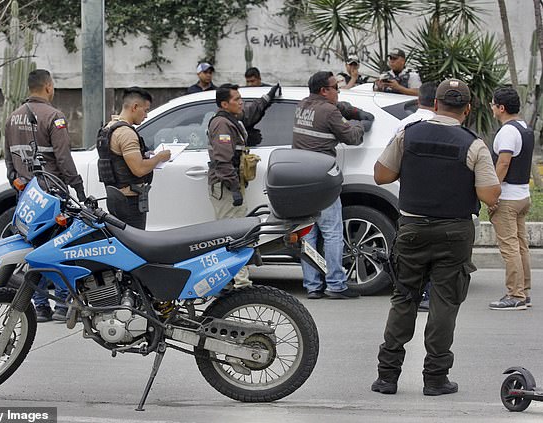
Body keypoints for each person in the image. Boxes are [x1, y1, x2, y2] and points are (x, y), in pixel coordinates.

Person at [371, 79, 500, 396]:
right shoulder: (473, 144)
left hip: (412, 229)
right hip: (454, 233)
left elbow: (381, 174)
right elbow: (488, 193)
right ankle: (435, 378)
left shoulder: (408, 134)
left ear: (434, 104)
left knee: (404, 299)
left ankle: (387, 377)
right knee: (444, 305)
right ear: (467, 110)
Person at [5, 68, 86, 322]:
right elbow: (63, 158)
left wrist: (18, 183)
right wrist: (79, 188)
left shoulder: (11, 118)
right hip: (52, 196)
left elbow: (9, 162)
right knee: (59, 248)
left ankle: (40, 306)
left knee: (34, 251)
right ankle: (61, 304)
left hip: (27, 197)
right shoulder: (54, 116)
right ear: (48, 86)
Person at [292, 71, 370, 300]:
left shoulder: (301, 106)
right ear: (324, 91)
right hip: (322, 179)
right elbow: (352, 137)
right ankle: (336, 285)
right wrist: (361, 123)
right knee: (332, 232)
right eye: (336, 87)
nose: (339, 90)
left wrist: (345, 108)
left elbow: (328, 111)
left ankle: (313, 286)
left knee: (307, 233)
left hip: (299, 178)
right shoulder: (329, 111)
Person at [207, 83, 277, 289]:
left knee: (235, 233)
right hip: (227, 186)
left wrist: (267, 98)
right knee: (234, 236)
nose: (241, 103)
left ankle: (229, 282)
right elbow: (222, 161)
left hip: (232, 184)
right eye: (237, 100)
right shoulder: (221, 124)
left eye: (241, 98)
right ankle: (241, 285)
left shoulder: (232, 119)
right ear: (224, 104)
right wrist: (234, 188)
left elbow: (250, 112)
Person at [99, 87, 171, 229]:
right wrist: (159, 158)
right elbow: (138, 169)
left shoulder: (109, 127)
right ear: (135, 107)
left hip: (115, 197)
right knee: (134, 245)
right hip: (129, 201)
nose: (146, 115)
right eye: (145, 110)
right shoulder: (126, 133)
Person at [488, 87, 534, 310]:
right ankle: (524, 291)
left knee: (510, 248)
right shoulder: (525, 128)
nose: (491, 106)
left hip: (507, 198)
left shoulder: (507, 132)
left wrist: (492, 193)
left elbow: (503, 163)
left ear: (501, 108)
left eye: (493, 103)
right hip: (523, 195)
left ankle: (515, 295)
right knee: (521, 245)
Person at [395, 81, 438, 311]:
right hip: (439, 199)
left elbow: (392, 164)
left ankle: (412, 294)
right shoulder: (442, 125)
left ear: (418, 100)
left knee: (413, 250)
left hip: (410, 198)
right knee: (433, 248)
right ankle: (429, 295)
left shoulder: (404, 125)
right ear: (437, 102)